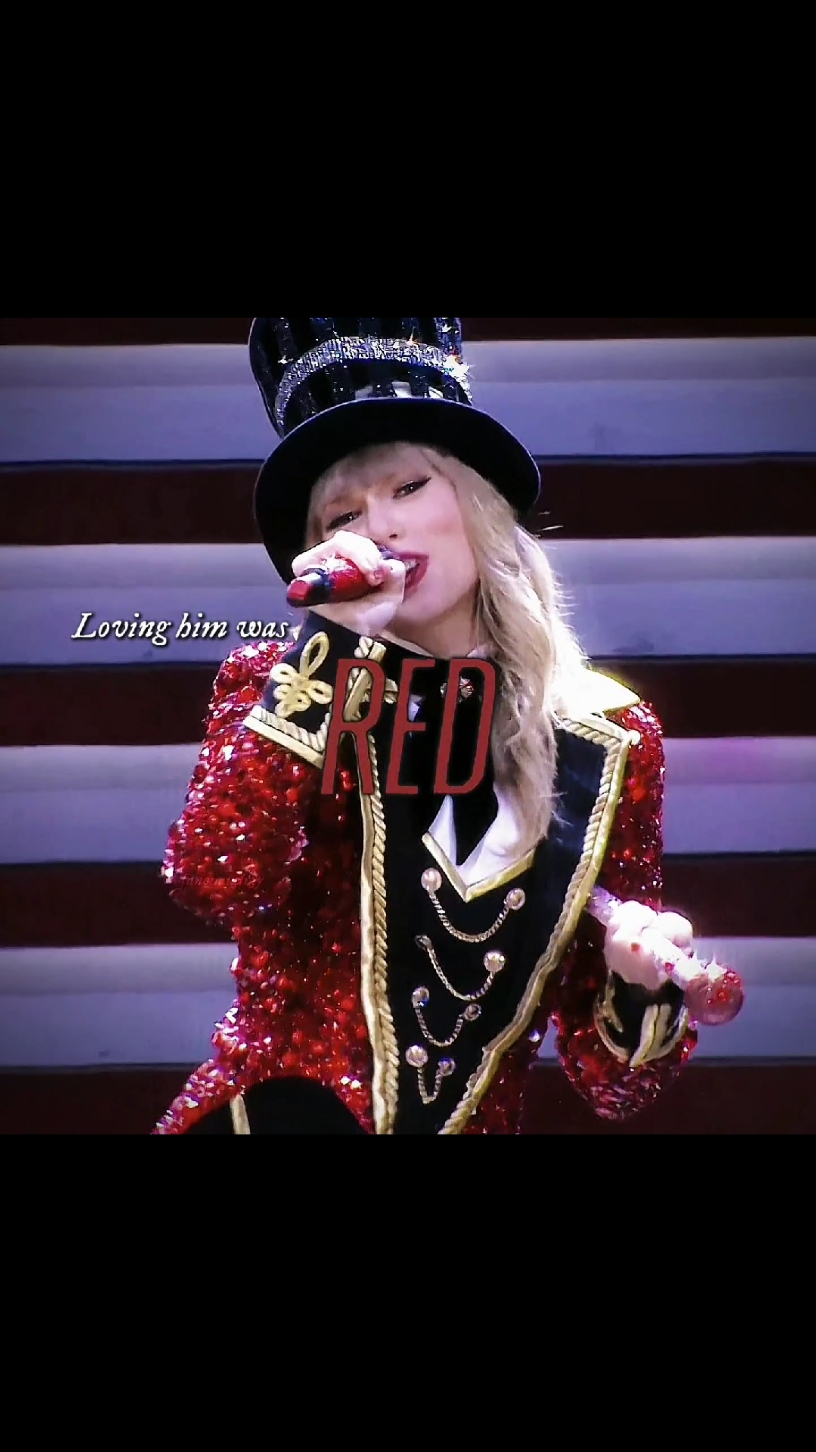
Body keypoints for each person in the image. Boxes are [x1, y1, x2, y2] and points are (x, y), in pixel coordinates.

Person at [154, 317, 698, 1136]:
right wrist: (332, 651)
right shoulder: (283, 684)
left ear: (475, 501)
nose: (379, 526)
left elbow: (614, 1086)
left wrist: (641, 984)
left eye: (407, 488)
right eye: (343, 514)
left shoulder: (608, 736)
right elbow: (211, 878)